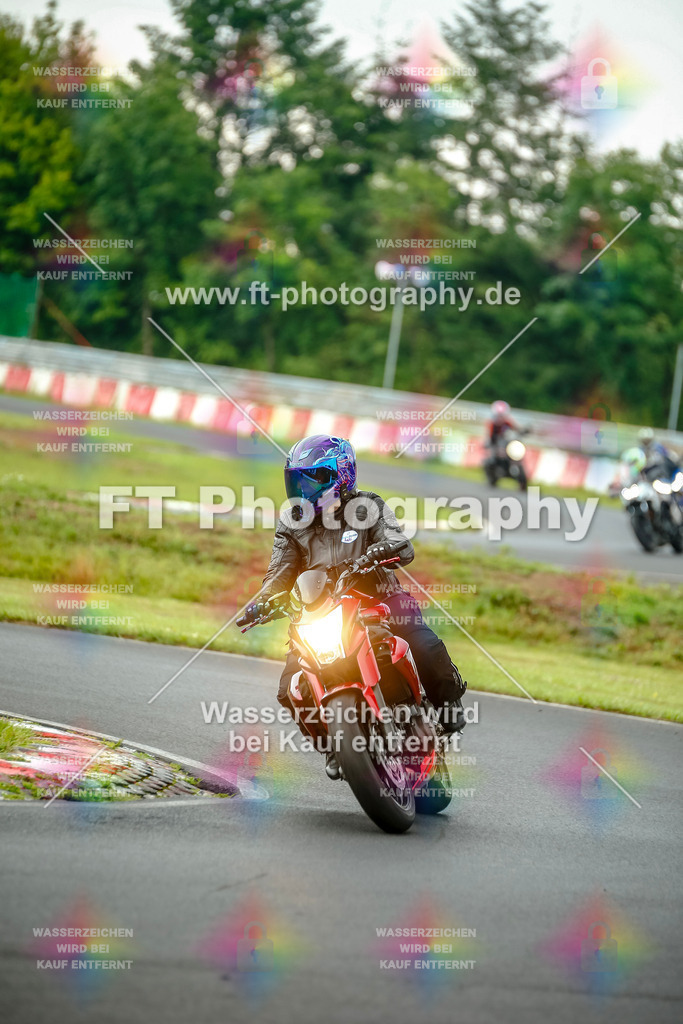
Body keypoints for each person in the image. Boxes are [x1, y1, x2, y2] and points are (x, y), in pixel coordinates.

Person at [240, 434, 467, 776]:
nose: (301, 488)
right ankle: (335, 747)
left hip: (379, 599)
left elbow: (399, 543)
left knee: (425, 644)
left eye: (311, 479)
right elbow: (278, 575)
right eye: (296, 479)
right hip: (319, 612)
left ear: (339, 475)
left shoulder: (367, 507)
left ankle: (449, 706)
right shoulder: (291, 524)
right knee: (291, 687)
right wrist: (261, 602)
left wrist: (381, 551)